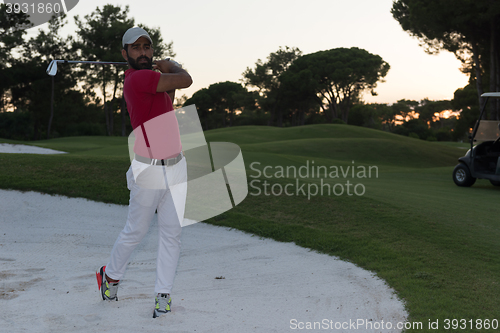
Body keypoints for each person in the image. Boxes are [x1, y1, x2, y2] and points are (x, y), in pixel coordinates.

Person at [96, 26, 192, 318]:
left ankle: (163, 294)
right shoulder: (138, 79)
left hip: (177, 165)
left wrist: (165, 70)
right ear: (124, 54)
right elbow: (186, 79)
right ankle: (110, 276)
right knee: (136, 231)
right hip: (148, 170)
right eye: (135, 48)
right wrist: (169, 65)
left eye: (147, 47)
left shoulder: (154, 80)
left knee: (172, 235)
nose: (142, 52)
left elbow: (171, 92)